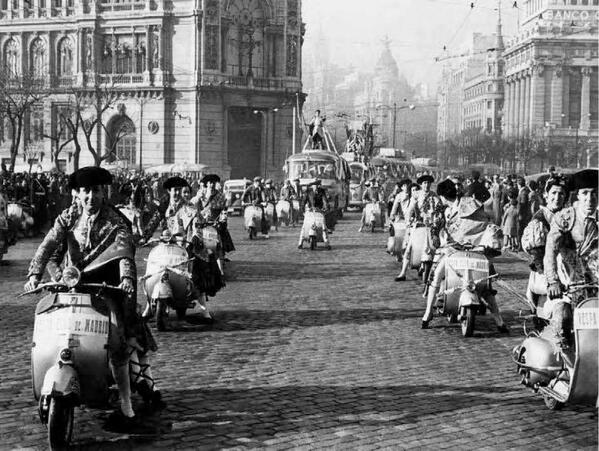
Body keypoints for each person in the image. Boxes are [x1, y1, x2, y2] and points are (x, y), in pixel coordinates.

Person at [24, 167, 158, 433]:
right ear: (78, 193)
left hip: (105, 288)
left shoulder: (116, 221)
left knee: (117, 336)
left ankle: (124, 401)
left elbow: (124, 254)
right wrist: (34, 273)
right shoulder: (69, 216)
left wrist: (127, 279)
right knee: (52, 324)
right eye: (85, 191)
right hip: (72, 286)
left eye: (95, 191)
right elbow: (48, 245)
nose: (90, 197)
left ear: (103, 192)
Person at [421, 179, 508, 332]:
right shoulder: (468, 204)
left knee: (437, 276)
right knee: (485, 285)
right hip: (470, 251)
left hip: (466, 251)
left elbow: (478, 224)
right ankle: (499, 321)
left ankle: (428, 313)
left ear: (443, 196)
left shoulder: (457, 208)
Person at [143, 176, 214, 323]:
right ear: (169, 191)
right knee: (153, 268)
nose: (176, 194)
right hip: (166, 246)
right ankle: (149, 305)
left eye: (179, 190)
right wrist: (144, 236)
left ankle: (204, 309)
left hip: (186, 245)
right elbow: (153, 223)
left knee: (197, 272)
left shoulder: (189, 208)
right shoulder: (163, 207)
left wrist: (196, 237)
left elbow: (198, 224)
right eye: (174, 190)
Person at [543, 168, 598, 348]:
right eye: (585, 194)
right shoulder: (566, 218)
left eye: (594, 194)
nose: (590, 199)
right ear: (577, 196)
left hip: (595, 283)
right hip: (569, 283)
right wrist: (553, 282)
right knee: (562, 317)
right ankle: (563, 366)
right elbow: (550, 250)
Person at [521, 176, 568, 317]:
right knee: (553, 308)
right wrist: (551, 278)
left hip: (567, 269)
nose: (557, 197)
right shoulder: (540, 218)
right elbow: (537, 254)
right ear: (546, 195)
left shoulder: (568, 215)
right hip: (545, 272)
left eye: (561, 194)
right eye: (553, 193)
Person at [395, 174, 443, 281]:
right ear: (421, 185)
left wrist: (437, 221)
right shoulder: (416, 195)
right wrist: (409, 221)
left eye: (428, 183)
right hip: (418, 226)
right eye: (425, 183)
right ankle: (403, 273)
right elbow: (410, 210)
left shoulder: (434, 197)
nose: (427, 185)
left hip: (431, 227)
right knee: (409, 248)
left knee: (436, 249)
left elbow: (439, 211)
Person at [298, 179, 331, 250]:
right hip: (310, 211)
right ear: (312, 186)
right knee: (304, 226)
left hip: (319, 211)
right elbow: (303, 202)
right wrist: (302, 210)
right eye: (315, 185)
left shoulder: (321, 192)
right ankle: (300, 243)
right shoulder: (308, 192)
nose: (317, 187)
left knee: (323, 226)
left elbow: (325, 201)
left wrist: (325, 208)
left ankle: (327, 243)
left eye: (318, 185)